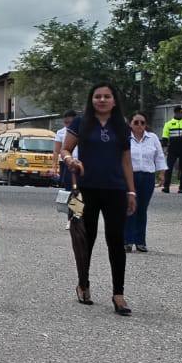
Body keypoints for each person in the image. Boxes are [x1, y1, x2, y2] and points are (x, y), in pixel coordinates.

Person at [58, 84, 137, 315]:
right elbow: (65, 149)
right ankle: (83, 284)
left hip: (115, 189)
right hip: (84, 189)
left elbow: (126, 161)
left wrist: (131, 192)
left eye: (107, 96)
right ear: (91, 99)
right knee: (85, 238)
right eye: (97, 96)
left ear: (114, 100)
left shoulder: (121, 126)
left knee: (116, 240)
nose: (102, 100)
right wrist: (70, 160)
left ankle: (118, 294)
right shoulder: (80, 123)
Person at [123, 113, 167, 253]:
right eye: (136, 122)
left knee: (142, 208)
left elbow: (159, 156)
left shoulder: (152, 138)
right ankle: (127, 241)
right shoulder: (125, 137)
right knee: (130, 208)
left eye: (142, 122)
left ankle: (140, 241)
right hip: (130, 176)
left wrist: (161, 173)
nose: (139, 125)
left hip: (147, 177)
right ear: (130, 124)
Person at [161, 105, 182, 193]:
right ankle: (166, 187)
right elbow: (165, 138)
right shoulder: (168, 124)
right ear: (176, 113)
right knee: (169, 167)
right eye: (181, 112)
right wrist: (164, 148)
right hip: (172, 148)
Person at [52, 110, 78, 190]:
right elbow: (56, 151)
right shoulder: (60, 132)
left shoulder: (82, 130)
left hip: (80, 161)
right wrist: (54, 167)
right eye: (65, 122)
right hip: (66, 161)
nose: (68, 125)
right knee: (67, 183)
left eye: (70, 122)